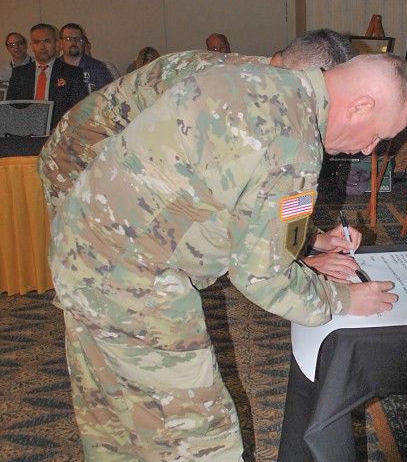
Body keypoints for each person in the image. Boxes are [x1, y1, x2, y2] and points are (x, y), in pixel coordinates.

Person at [48, 52, 407, 462]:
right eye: (379, 136)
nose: (370, 150)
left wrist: (303, 245)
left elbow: (231, 200)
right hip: (137, 277)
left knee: (113, 411)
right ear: (361, 105)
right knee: (199, 429)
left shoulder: (255, 80)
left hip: (84, 249)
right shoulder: (296, 143)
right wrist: (344, 301)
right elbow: (263, 279)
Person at [40, 29, 360, 282]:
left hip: (139, 170)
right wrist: (302, 259)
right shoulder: (233, 97)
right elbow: (244, 213)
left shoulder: (270, 90)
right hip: (81, 158)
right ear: (279, 63)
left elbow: (265, 203)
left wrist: (312, 240)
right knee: (110, 284)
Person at [6, 23, 88, 128]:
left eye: (47, 41)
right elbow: (10, 110)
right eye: (37, 42)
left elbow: (80, 110)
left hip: (59, 133)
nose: (42, 47)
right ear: (31, 46)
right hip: (25, 133)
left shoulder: (72, 73)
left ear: (58, 44)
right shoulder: (19, 74)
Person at [59, 23, 114, 92]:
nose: (74, 42)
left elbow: (109, 96)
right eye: (69, 39)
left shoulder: (97, 67)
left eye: (78, 39)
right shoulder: (54, 68)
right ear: (60, 43)